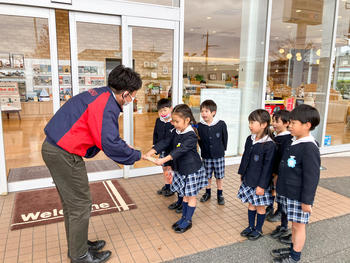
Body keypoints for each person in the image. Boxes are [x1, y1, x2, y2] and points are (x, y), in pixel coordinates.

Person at [41, 65, 142, 263]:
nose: (132, 100)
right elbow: (109, 142)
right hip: (63, 153)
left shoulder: (101, 94)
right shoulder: (106, 104)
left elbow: (101, 134)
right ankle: (79, 256)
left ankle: (78, 245)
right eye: (133, 97)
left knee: (73, 204)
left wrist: (121, 146)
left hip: (57, 148)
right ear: (126, 93)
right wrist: (135, 154)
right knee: (80, 204)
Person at [144, 104, 208, 233]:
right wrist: (150, 152)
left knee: (191, 196)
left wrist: (163, 159)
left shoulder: (191, 135)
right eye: (173, 121)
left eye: (177, 121)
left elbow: (179, 150)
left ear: (187, 120)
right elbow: (165, 142)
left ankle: (187, 221)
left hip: (191, 170)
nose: (174, 124)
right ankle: (183, 218)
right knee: (184, 195)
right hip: (181, 169)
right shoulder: (175, 131)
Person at [271, 104, 321, 263]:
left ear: (307, 125)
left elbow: (312, 177)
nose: (289, 126)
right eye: (289, 122)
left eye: (293, 123)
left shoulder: (309, 147)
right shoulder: (295, 141)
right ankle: (293, 248)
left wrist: (307, 201)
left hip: (299, 197)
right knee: (294, 225)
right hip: (288, 192)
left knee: (299, 226)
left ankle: (295, 257)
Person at [237, 109, 276, 241]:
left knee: (260, 207)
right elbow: (245, 157)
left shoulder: (269, 144)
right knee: (250, 204)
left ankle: (258, 229)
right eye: (249, 122)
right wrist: (242, 173)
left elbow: (268, 168)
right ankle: (250, 226)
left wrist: (262, 186)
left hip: (260, 183)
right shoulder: (250, 139)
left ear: (264, 124)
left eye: (253, 122)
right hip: (249, 179)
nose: (250, 125)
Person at [267, 110, 293, 237]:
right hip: (274, 172)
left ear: (287, 123)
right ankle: (278, 216)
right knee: (275, 192)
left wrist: (277, 174)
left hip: (281, 174)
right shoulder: (275, 137)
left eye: (277, 121)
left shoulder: (287, 140)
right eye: (273, 121)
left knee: (282, 197)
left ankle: (282, 220)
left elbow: (282, 159)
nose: (274, 124)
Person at [197, 100, 228, 205]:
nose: (203, 113)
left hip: (219, 155)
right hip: (206, 156)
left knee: (219, 176)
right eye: (202, 111)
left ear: (213, 112)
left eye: (206, 111)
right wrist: (204, 150)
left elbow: (225, 139)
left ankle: (220, 194)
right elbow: (199, 141)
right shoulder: (199, 126)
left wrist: (221, 150)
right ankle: (208, 193)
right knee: (207, 176)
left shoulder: (221, 124)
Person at [153, 98, 174, 197]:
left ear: (171, 109)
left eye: (165, 110)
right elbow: (155, 134)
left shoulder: (173, 122)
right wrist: (155, 146)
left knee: (169, 168)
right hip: (162, 149)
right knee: (164, 168)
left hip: (171, 150)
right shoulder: (158, 121)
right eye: (160, 111)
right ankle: (166, 185)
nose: (162, 113)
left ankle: (171, 187)